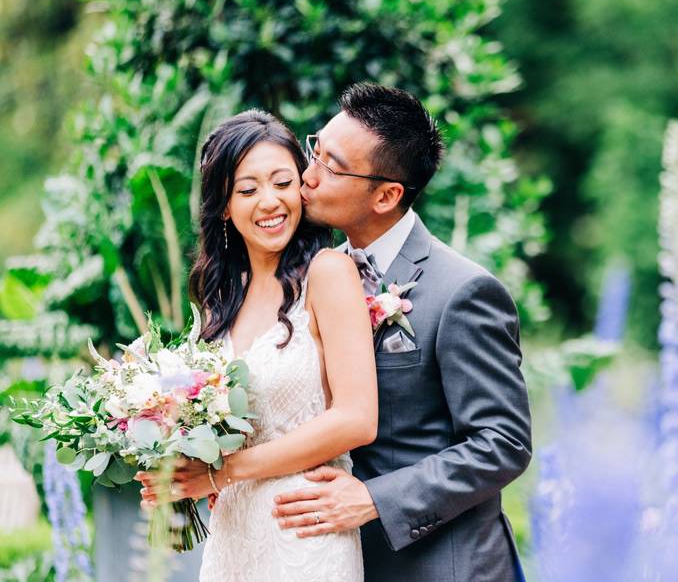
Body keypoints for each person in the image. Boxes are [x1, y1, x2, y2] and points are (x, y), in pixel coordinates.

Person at [272, 83, 532, 581]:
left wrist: (373, 499)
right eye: (315, 150)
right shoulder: (310, 277)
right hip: (336, 561)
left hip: (443, 567)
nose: (307, 176)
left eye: (331, 166)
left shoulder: (463, 292)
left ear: (387, 195)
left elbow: (503, 441)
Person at [137, 109, 375, 581]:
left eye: (283, 183)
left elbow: (357, 418)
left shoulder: (328, 273)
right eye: (248, 190)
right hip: (232, 536)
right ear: (224, 205)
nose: (270, 202)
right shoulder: (219, 297)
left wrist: (222, 473)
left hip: (305, 530)